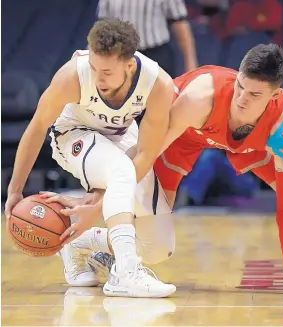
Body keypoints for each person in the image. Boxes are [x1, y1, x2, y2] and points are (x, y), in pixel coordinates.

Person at [47, 44, 283, 295]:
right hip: (179, 138)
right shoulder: (198, 98)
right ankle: (91, 243)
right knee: (157, 245)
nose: (242, 98)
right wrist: (100, 200)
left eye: (254, 94)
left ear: (274, 97)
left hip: (250, 144)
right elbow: (144, 153)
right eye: (240, 86)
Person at [4, 18, 177, 298]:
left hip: (122, 139)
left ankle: (80, 242)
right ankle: (125, 273)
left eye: (107, 71)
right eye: (94, 67)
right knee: (121, 169)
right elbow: (36, 128)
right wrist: (14, 189)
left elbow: (146, 153)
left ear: (129, 65)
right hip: (73, 135)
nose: (98, 78)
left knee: (158, 248)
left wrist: (97, 203)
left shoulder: (158, 85)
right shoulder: (71, 77)